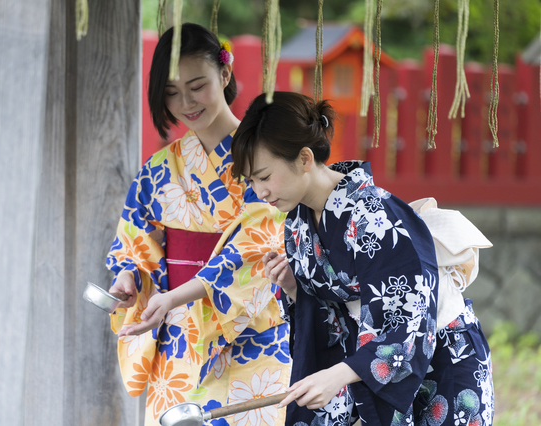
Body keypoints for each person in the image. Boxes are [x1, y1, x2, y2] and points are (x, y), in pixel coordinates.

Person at [230, 91, 494, 426]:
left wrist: (338, 375)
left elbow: (406, 317)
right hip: (372, 361)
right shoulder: (297, 224)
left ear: (305, 159)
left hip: (440, 355)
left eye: (264, 176)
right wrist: (295, 289)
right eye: (252, 180)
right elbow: (326, 312)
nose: (260, 191)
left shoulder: (374, 216)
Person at [106, 24, 291, 426]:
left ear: (224, 76)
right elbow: (134, 241)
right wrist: (128, 278)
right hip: (178, 338)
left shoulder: (265, 158)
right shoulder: (158, 169)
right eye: (171, 92)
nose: (186, 102)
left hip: (251, 335)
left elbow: (257, 248)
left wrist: (174, 298)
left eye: (197, 86)